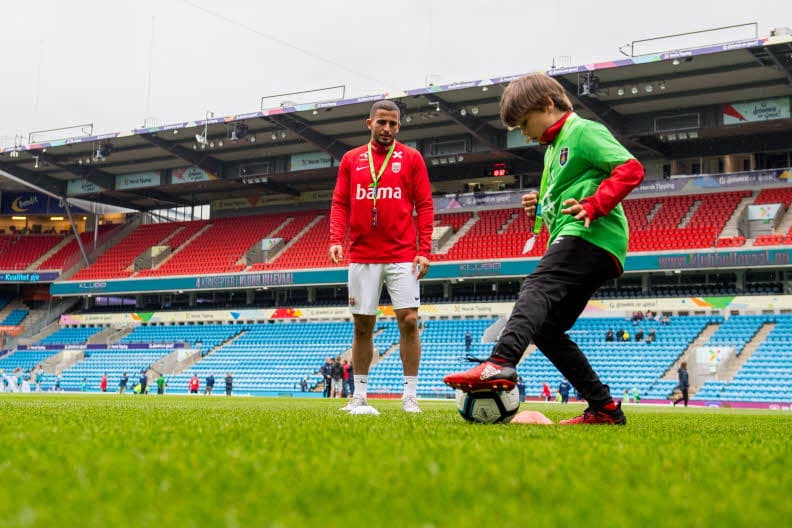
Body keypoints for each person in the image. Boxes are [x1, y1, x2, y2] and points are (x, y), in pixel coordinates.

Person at [444, 73, 644, 425]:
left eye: (524, 122)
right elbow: (573, 188)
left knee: (536, 286)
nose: (523, 132)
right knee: (547, 330)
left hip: (593, 236)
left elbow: (630, 168)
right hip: (585, 239)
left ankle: (500, 361)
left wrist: (595, 204)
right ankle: (605, 409)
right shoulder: (554, 148)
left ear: (548, 105)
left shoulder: (583, 130)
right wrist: (542, 206)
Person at [329, 100, 434, 414]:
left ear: (398, 127)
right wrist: (336, 239)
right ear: (369, 123)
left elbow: (425, 205)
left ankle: (410, 395)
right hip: (362, 254)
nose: (387, 129)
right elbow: (339, 203)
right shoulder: (351, 159)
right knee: (362, 325)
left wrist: (424, 250)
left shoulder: (412, 158)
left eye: (393, 124)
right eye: (382, 123)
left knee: (410, 321)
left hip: (402, 253)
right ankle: (360, 394)